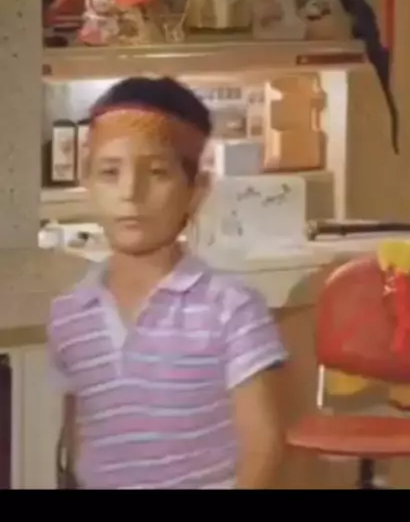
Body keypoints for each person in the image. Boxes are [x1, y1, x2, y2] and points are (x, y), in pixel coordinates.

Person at [49, 76, 288, 489]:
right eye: (109, 172)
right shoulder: (68, 314)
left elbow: (263, 446)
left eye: (157, 172)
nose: (130, 192)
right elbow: (75, 443)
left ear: (196, 190)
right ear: (87, 182)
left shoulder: (232, 308)